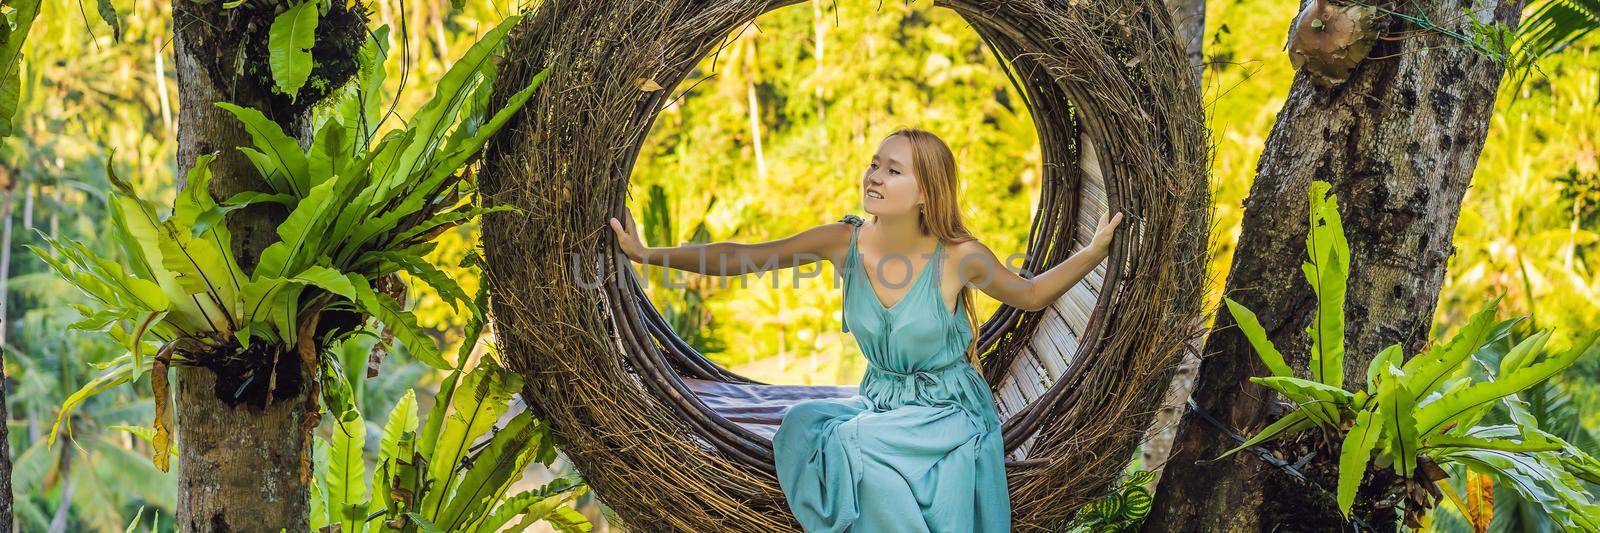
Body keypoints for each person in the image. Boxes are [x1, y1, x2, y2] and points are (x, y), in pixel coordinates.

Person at [608, 127, 1122, 532]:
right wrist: (649, 254)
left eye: (893, 170)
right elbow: (748, 257)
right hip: (881, 405)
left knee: (853, 447)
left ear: (926, 192)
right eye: (875, 163)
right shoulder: (843, 241)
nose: (874, 176)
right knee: (802, 426)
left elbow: (1030, 296)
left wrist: (1093, 252)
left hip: (947, 412)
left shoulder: (959, 257)